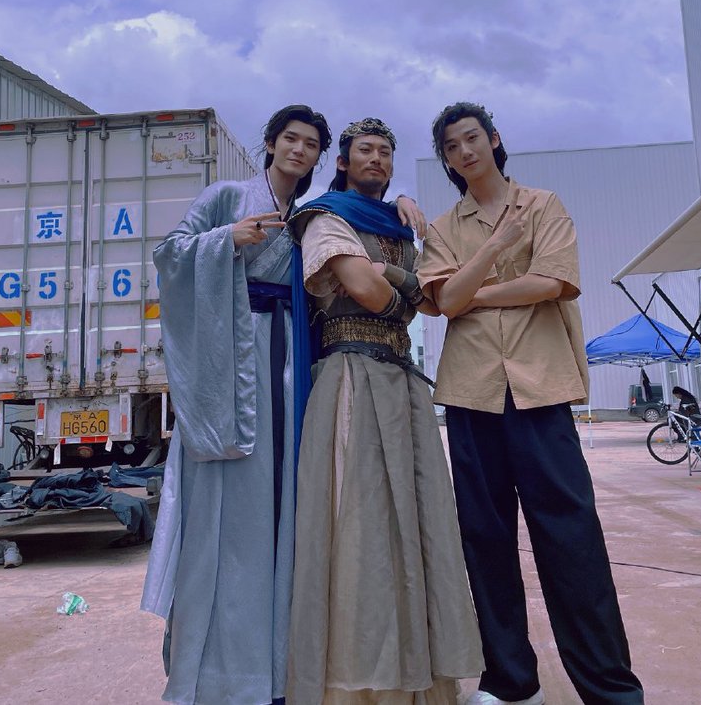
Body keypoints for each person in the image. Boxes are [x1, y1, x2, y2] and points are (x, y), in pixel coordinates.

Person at [141, 105, 426, 705]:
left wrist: (400, 203)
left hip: (294, 360)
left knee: (291, 507)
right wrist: (227, 238)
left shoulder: (312, 213)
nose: (299, 150)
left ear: (323, 157)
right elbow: (169, 254)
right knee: (231, 513)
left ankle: (279, 669)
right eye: (290, 139)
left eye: (310, 144)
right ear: (270, 144)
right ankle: (219, 672)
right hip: (235, 361)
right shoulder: (227, 196)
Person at [416, 103, 643, 705]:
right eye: (451, 147)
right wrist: (496, 249)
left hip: (540, 389)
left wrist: (473, 290)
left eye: (472, 138)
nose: (465, 151)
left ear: (494, 140)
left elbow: (553, 282)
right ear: (446, 160)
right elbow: (442, 302)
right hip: (471, 395)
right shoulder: (443, 228)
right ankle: (511, 683)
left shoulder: (544, 205)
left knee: (571, 537)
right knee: (485, 539)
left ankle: (611, 689)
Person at [286, 117, 483, 705]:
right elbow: (373, 294)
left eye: (385, 152)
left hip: (402, 383)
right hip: (351, 378)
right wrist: (403, 289)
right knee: (359, 524)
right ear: (342, 161)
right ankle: (358, 683)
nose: (376, 159)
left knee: (419, 524)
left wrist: (395, 278)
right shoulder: (323, 218)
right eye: (365, 150)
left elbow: (426, 300)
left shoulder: (398, 225)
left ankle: (418, 676)